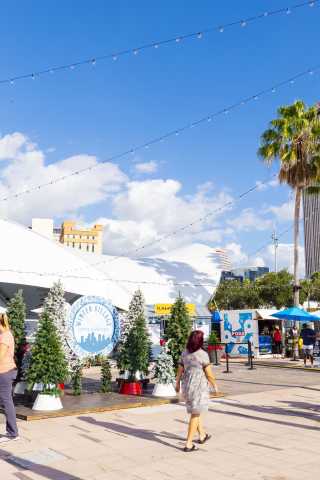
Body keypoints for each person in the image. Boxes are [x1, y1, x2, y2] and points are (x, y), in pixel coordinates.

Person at [176, 330, 218, 452]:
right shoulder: (202, 354)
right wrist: (215, 385)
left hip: (187, 386)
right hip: (198, 387)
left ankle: (202, 435)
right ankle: (188, 443)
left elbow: (180, 370)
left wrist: (177, 383)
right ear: (200, 341)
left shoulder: (184, 353)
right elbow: (209, 373)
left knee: (196, 411)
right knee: (195, 414)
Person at [0, 313, 19, 443]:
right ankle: (12, 432)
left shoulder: (5, 336)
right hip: (5, 371)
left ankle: (13, 433)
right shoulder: (4, 335)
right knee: (6, 401)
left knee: (6, 401)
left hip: (5, 372)